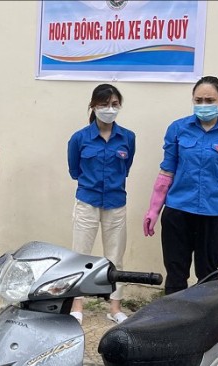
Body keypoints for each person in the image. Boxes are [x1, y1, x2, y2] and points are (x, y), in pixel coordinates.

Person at [143, 75, 218, 295]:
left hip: (215, 213)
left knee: (209, 275)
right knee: (176, 273)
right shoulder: (178, 128)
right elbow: (166, 171)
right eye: (198, 100)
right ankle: (173, 323)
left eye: (209, 100)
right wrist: (154, 210)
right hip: (178, 210)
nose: (204, 105)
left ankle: (204, 325)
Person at [67, 83, 136, 324]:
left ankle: (114, 307)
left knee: (115, 256)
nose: (109, 109)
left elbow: (125, 169)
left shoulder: (128, 138)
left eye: (114, 104)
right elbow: (75, 171)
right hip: (87, 200)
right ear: (93, 106)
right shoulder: (79, 138)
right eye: (104, 104)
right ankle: (77, 304)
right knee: (80, 255)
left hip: (116, 202)